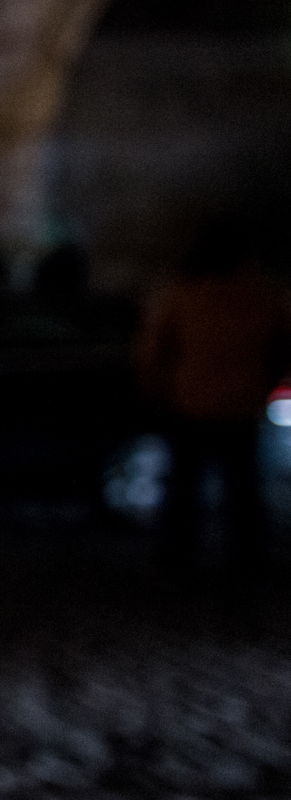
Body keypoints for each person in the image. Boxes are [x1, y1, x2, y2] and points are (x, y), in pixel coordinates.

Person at [136, 219, 291, 582]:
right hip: (240, 405)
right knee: (242, 491)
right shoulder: (261, 296)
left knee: (184, 490)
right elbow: (280, 349)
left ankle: (178, 560)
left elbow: (153, 352)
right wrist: (262, 385)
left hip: (189, 404)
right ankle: (246, 561)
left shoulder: (180, 294)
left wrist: (160, 390)